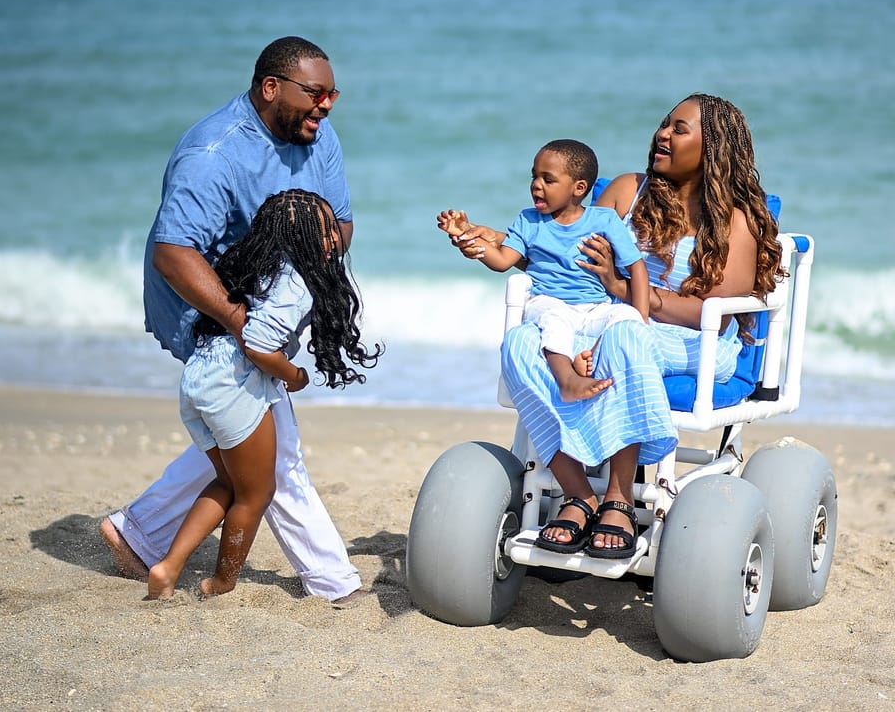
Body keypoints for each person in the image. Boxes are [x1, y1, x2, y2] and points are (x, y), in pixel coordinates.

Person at [444, 94, 783, 558]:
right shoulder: (628, 191)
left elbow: (711, 311)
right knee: (523, 342)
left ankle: (619, 498)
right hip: (601, 321)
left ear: (714, 149)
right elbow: (561, 249)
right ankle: (577, 492)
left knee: (621, 336)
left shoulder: (735, 222)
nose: (663, 133)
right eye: (664, 124)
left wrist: (624, 290)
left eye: (679, 129)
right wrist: (489, 238)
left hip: (693, 341)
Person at [100, 36, 371, 605]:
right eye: (315, 93)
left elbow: (340, 224)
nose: (326, 106)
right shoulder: (213, 154)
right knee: (276, 454)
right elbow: (174, 252)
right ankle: (331, 581)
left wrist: (306, 279)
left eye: (333, 94)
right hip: (209, 313)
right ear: (272, 88)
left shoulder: (318, 136)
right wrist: (239, 320)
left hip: (267, 314)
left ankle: (139, 531)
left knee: (239, 448)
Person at [148, 190, 382, 599]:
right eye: (324, 231)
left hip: (201, 376)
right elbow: (256, 344)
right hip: (234, 384)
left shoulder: (260, 266)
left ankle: (167, 569)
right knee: (258, 494)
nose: (335, 239)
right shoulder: (296, 281)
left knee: (227, 483)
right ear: (301, 237)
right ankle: (221, 583)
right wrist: (293, 375)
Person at [438, 138, 649, 403]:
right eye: (534, 177)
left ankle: (589, 356)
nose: (536, 185)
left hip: (595, 306)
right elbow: (503, 260)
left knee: (624, 315)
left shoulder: (603, 220)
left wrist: (641, 317)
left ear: (579, 188)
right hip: (547, 300)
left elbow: (636, 266)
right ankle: (568, 380)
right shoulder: (528, 221)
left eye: (548, 180)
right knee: (555, 320)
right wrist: (469, 239)